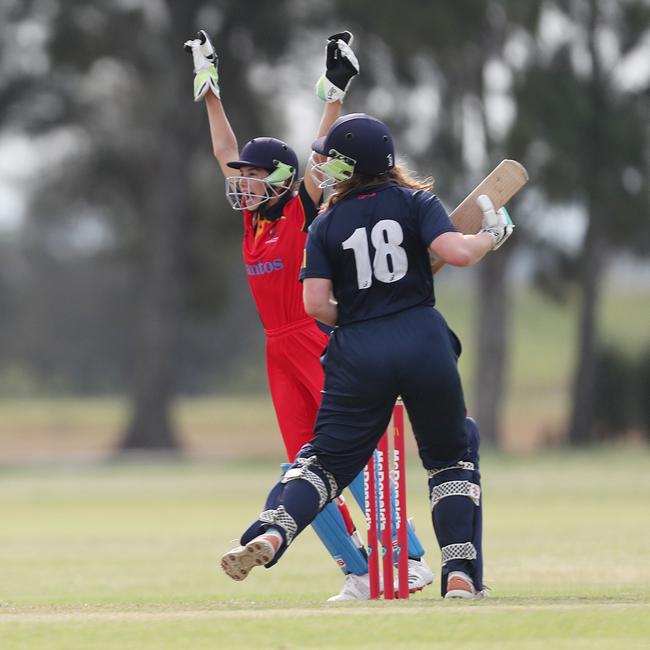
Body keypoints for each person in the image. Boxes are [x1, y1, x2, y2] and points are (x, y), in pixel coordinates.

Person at [220, 113, 514, 599]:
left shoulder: (326, 221)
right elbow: (457, 254)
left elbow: (316, 304)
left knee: (323, 463)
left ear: (354, 165)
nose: (325, 168)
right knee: (450, 458)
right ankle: (460, 575)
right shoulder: (417, 201)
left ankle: (272, 531)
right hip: (423, 339)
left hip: (358, 349)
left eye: (333, 159)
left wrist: (358, 317)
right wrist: (491, 235)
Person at [184, 32, 434, 600]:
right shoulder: (254, 219)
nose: (240, 182)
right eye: (240, 176)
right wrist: (210, 91)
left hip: (315, 340)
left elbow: (323, 152)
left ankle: (409, 559)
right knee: (302, 466)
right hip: (277, 347)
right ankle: (358, 569)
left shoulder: (302, 206)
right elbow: (224, 151)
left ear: (279, 179)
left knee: (353, 454)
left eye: (251, 176)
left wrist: (335, 91)